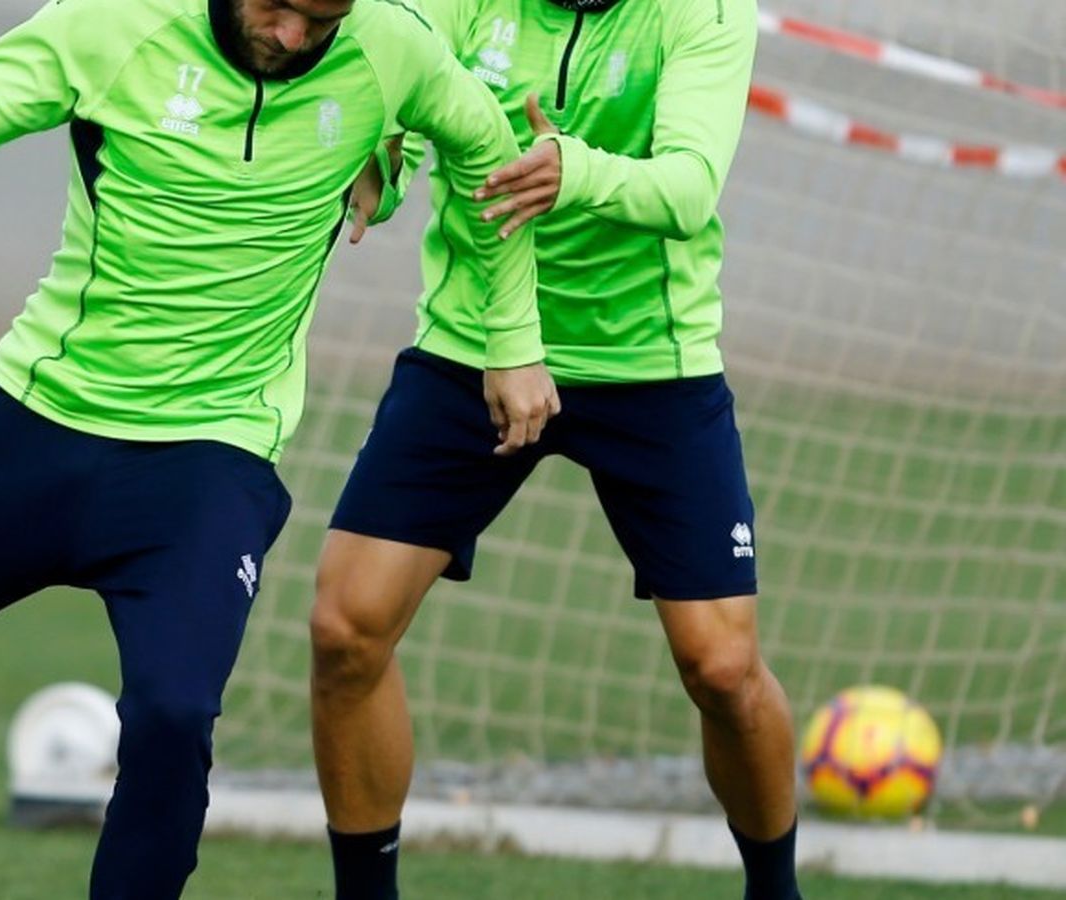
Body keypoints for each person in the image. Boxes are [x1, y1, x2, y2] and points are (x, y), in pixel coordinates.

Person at [0, 0, 559, 896]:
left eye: (320, 19)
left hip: (208, 459)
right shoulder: (115, 21)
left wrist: (510, 336)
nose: (293, 36)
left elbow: (488, 154)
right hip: (31, 423)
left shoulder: (390, 48)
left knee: (173, 723)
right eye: (276, 7)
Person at [311, 0, 804, 898]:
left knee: (723, 670)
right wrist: (379, 158)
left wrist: (569, 169)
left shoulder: (705, 15)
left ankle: (776, 890)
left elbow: (690, 189)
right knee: (346, 630)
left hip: (650, 359)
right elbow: (406, 90)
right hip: (471, 348)